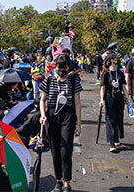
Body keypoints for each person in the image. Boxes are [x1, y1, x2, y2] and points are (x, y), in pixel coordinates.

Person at [39, 54, 82, 192]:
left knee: (65, 150)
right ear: (55, 66)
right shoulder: (49, 80)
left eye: (65, 67)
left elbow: (77, 103)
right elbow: (42, 100)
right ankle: (58, 180)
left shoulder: (74, 81)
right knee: (55, 150)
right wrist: (43, 115)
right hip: (52, 116)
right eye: (59, 67)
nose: (62, 70)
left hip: (68, 116)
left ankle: (67, 182)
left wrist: (79, 124)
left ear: (69, 67)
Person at [99, 53, 130, 153]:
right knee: (110, 119)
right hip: (109, 98)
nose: (117, 60)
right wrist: (101, 100)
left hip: (119, 97)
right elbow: (102, 87)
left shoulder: (120, 73)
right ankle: (111, 142)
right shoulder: (106, 74)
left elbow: (123, 87)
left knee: (118, 118)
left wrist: (128, 98)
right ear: (111, 60)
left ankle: (116, 139)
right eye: (115, 58)